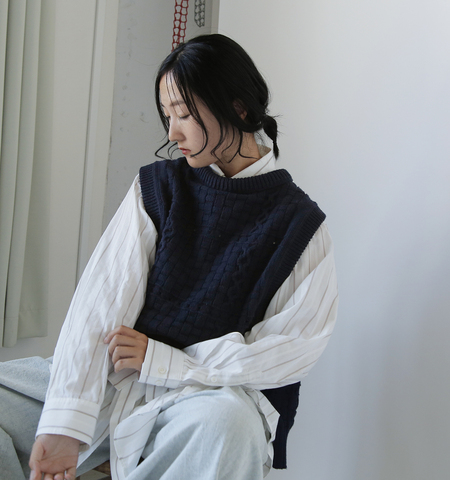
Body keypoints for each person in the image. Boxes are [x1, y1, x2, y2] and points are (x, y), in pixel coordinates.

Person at [0, 34, 338, 480]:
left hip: (206, 399)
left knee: (228, 426)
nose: (172, 133)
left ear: (238, 108)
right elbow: (100, 305)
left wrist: (168, 362)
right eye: (167, 115)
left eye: (183, 113)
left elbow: (290, 350)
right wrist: (65, 424)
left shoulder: (301, 225)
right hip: (118, 381)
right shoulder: (159, 187)